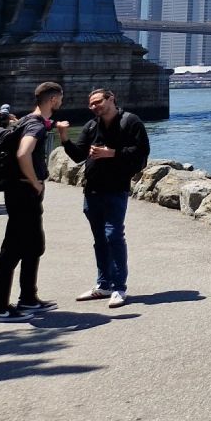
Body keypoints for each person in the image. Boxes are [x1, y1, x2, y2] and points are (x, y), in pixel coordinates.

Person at [0, 81, 70, 322]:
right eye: (60, 98)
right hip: (24, 192)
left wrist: (57, 127)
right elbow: (23, 153)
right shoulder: (35, 125)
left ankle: (28, 299)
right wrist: (34, 181)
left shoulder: (26, 120)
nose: (61, 102)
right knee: (12, 249)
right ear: (53, 99)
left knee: (33, 245)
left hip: (19, 191)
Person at [62, 87, 149, 309]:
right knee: (99, 239)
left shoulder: (131, 122)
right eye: (91, 104)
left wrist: (113, 153)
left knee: (113, 236)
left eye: (98, 102)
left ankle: (119, 287)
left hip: (116, 188)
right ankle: (104, 285)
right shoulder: (92, 125)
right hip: (92, 190)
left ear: (111, 99)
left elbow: (141, 154)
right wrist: (64, 138)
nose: (94, 107)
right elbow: (79, 155)